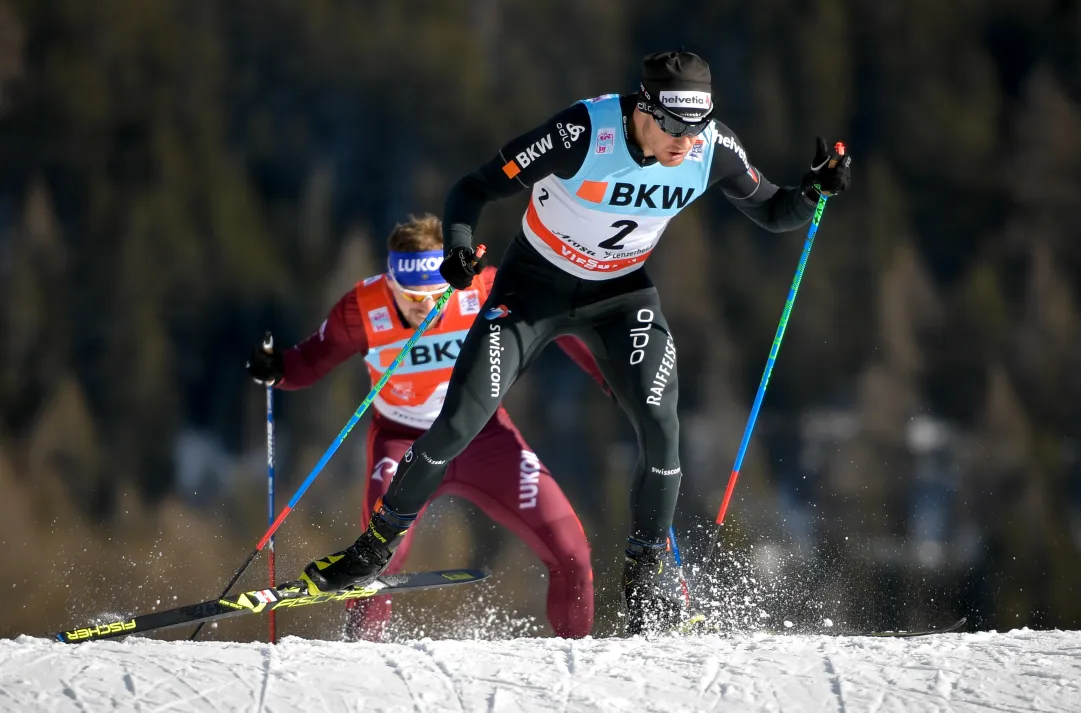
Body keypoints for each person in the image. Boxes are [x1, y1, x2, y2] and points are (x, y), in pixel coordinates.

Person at [299, 50, 852, 634]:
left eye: (698, 128)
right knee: (458, 421)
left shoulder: (711, 148)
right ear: (644, 108)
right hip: (533, 288)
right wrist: (459, 248)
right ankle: (371, 553)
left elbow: (774, 211)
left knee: (662, 428)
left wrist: (815, 190)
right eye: (676, 128)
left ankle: (646, 581)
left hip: (620, 298)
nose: (687, 144)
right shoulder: (582, 133)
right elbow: (473, 187)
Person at [247, 213, 604, 640]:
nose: (421, 306)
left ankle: (578, 663)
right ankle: (360, 661)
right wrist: (277, 368)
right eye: (408, 294)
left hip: (483, 438)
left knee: (573, 554)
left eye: (433, 294)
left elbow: (557, 323)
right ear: (390, 281)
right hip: (401, 443)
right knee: (376, 561)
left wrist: (607, 373)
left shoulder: (483, 287)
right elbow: (310, 361)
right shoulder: (363, 307)